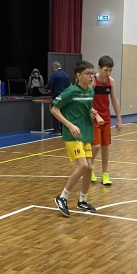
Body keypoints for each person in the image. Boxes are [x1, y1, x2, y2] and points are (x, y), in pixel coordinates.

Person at [51, 60, 104, 217]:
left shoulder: (90, 92)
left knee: (89, 168)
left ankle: (83, 200)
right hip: (72, 134)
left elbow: (88, 109)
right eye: (88, 74)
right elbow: (54, 109)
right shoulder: (70, 92)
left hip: (85, 133)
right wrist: (70, 125)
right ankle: (62, 197)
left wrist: (95, 115)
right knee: (83, 166)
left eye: (92, 73)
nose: (91, 76)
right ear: (78, 76)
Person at [90, 55, 123, 186]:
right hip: (94, 118)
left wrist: (119, 119)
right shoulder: (93, 81)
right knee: (96, 146)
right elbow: (87, 101)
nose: (108, 73)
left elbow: (114, 100)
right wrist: (95, 114)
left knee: (105, 147)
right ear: (99, 68)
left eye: (110, 70)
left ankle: (105, 173)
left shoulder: (111, 81)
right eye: (105, 70)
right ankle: (89, 167)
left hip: (106, 118)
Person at [47, 61, 70, 134]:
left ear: (55, 67)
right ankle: (63, 129)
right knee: (63, 113)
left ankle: (56, 129)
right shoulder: (66, 75)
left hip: (56, 95)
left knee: (55, 111)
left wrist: (47, 88)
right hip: (64, 95)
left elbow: (50, 85)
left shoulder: (54, 75)